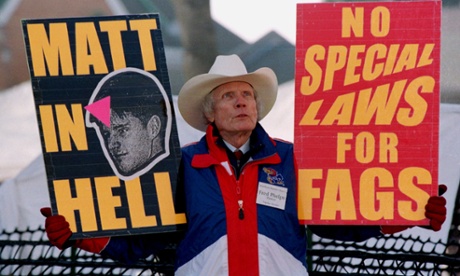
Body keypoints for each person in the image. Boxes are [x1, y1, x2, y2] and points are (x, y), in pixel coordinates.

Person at [41, 55, 447, 275]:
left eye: (247, 95)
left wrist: (403, 212)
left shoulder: (293, 160)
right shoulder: (180, 166)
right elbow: (144, 244)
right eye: (229, 96)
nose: (241, 102)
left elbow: (337, 223)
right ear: (210, 113)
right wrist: (82, 235)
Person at [85, 68, 172, 180]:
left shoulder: (185, 173)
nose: (111, 145)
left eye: (122, 130)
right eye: (106, 135)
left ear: (153, 128)